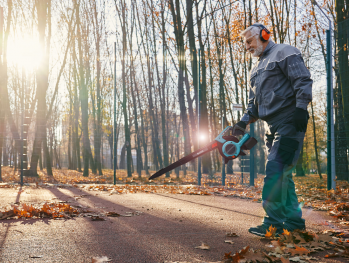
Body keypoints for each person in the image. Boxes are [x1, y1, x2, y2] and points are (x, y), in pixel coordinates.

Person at [233, 23, 312, 237]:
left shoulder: (284, 52)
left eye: (250, 41)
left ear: (264, 35)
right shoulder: (255, 69)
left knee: (275, 171)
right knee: (284, 174)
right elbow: (254, 104)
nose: (247, 46)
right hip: (272, 126)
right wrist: (242, 123)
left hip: (290, 121)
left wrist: (301, 109)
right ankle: (294, 222)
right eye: (245, 43)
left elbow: (302, 80)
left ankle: (272, 223)